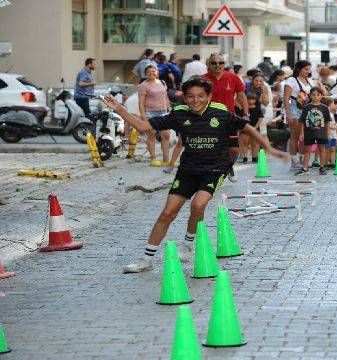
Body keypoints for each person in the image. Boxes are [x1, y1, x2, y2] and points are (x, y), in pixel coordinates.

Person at [102, 77, 288, 273]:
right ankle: (146, 260)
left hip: (214, 169)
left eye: (200, 96)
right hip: (188, 169)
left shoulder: (221, 113)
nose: (195, 100)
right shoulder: (179, 114)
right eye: (191, 96)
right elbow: (144, 127)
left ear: (208, 96)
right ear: (185, 98)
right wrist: (119, 109)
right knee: (168, 213)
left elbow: (247, 128)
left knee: (198, 204)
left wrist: (269, 149)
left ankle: (188, 244)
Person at [202, 53, 248, 182]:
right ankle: (211, 173)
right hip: (208, 119)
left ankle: (229, 166)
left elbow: (242, 96)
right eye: (214, 63)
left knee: (233, 150)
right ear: (208, 64)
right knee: (211, 149)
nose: (218, 65)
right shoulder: (202, 80)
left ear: (224, 64)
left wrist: (245, 113)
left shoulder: (233, 78)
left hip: (229, 118)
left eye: (221, 63)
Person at [284, 61, 316, 169]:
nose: (308, 71)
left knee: (305, 136)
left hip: (308, 110)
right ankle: (294, 161)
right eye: (306, 69)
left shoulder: (310, 81)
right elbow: (286, 98)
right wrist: (288, 113)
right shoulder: (291, 80)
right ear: (299, 69)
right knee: (295, 136)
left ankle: (303, 159)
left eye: (309, 69)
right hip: (294, 109)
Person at [138, 65, 172, 167]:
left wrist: (169, 107)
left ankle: (166, 160)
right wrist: (143, 117)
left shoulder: (162, 82)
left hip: (163, 111)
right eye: (149, 72)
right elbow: (140, 102)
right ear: (146, 74)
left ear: (157, 72)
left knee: (166, 135)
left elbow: (165, 97)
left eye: (154, 71)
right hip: (150, 112)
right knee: (151, 134)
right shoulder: (143, 85)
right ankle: (153, 158)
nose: (152, 73)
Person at [295, 87, 331, 176]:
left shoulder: (324, 107)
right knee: (307, 150)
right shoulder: (307, 107)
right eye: (313, 95)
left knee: (321, 148)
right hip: (309, 132)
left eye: (318, 95)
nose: (315, 97)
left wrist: (328, 133)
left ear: (321, 96)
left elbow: (327, 121)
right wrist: (302, 133)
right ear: (310, 96)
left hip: (321, 132)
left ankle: (322, 167)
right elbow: (302, 121)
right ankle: (305, 168)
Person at [325, 97, 337, 169]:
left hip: (333, 135)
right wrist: (333, 126)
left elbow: (335, 125)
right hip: (329, 135)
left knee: (332, 149)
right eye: (334, 104)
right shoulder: (327, 113)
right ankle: (324, 164)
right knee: (327, 149)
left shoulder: (333, 114)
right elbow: (328, 124)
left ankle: (332, 163)